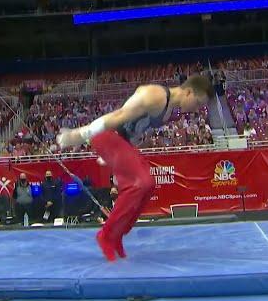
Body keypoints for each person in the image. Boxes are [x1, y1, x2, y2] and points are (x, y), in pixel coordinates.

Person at [57, 73, 213, 261]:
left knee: (149, 185)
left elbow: (136, 129)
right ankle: (106, 235)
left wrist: (119, 156)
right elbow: (118, 116)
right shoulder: (155, 95)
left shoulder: (172, 111)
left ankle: (117, 234)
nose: (196, 109)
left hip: (121, 143)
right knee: (140, 182)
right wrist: (78, 135)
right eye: (197, 103)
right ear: (188, 92)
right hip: (106, 136)